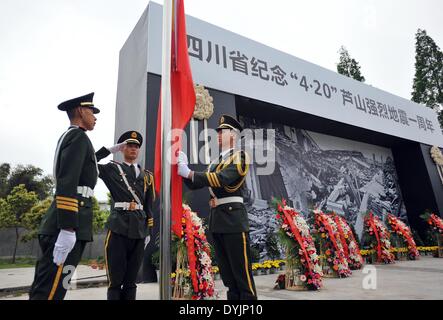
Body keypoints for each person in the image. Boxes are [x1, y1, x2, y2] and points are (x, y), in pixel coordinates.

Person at [177, 114, 257, 300]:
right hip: (219, 219)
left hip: (233, 219)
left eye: (223, 131)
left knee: (242, 276)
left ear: (234, 135)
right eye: (218, 131)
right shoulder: (216, 161)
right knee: (229, 277)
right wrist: (182, 168)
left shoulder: (241, 156)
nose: (219, 134)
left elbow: (222, 179)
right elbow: (196, 183)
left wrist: (189, 173)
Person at [29, 92, 100, 300]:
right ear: (80, 111)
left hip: (66, 222)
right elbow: (68, 181)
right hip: (68, 224)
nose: (95, 117)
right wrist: (68, 228)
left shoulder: (72, 136)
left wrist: (107, 151)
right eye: (92, 112)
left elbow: (85, 163)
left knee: (50, 285)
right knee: (50, 291)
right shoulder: (79, 137)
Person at [95, 130, 155, 300]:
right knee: (115, 280)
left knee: (131, 280)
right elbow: (88, 161)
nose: (133, 148)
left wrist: (149, 230)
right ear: (122, 148)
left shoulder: (147, 176)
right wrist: (107, 150)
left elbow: (149, 205)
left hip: (139, 230)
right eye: (129, 145)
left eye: (136, 146)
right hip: (118, 227)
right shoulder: (112, 169)